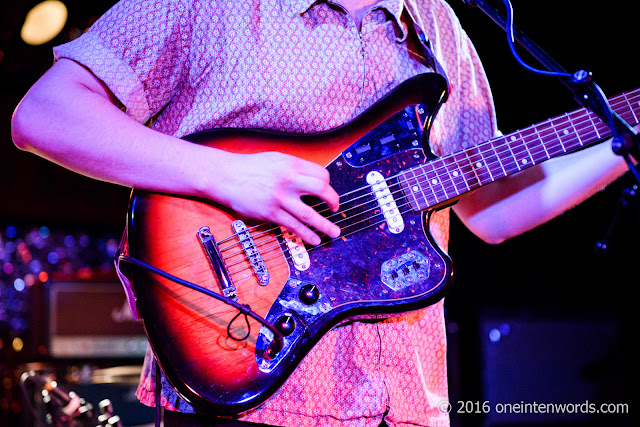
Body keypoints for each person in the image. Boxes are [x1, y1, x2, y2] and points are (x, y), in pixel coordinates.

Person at [10, 0, 633, 425]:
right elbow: (44, 115)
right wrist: (228, 176)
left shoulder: (434, 21)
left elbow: (489, 211)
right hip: (253, 385)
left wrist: (625, 142)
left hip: (408, 400)